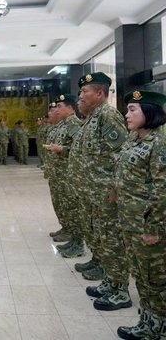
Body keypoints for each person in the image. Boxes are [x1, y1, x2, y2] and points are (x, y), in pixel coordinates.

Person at [113, 90, 166, 340]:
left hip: (149, 226)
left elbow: (162, 188)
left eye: (133, 109)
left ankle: (159, 327)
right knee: (142, 276)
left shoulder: (160, 142)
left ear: (151, 111)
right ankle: (149, 321)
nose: (127, 114)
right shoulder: (135, 139)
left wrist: (153, 228)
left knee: (155, 279)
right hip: (131, 222)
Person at [76, 72, 131, 311]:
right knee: (103, 240)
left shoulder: (108, 116)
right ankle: (110, 281)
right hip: (94, 193)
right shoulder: (92, 118)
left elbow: (122, 155)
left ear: (100, 93)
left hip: (106, 195)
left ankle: (121, 291)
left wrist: (115, 188)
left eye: (85, 92)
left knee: (112, 242)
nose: (81, 95)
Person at [45, 94, 82, 257]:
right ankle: (68, 230)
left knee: (71, 207)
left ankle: (76, 240)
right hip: (58, 173)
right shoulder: (62, 125)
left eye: (60, 107)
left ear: (70, 108)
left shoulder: (73, 124)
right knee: (62, 204)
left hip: (67, 174)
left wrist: (62, 149)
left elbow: (77, 149)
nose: (56, 110)